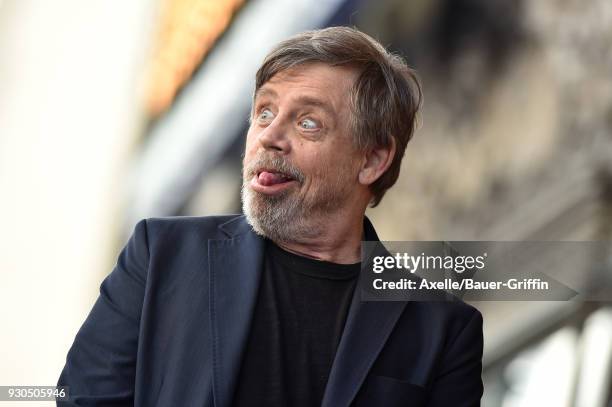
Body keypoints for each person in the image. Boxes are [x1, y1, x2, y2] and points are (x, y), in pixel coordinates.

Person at [58, 26, 483, 407]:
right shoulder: (160, 255)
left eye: (308, 123)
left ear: (372, 160)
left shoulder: (442, 329)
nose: (270, 137)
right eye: (264, 112)